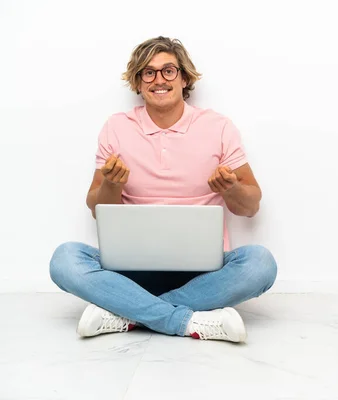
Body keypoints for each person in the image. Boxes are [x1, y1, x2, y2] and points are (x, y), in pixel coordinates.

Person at [49, 36, 277, 343]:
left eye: (168, 70)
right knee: (64, 259)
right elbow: (96, 208)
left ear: (184, 78)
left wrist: (231, 188)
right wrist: (113, 185)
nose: (159, 80)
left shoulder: (219, 127)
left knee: (260, 264)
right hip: (130, 271)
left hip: (203, 273)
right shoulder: (116, 127)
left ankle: (124, 313)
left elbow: (250, 207)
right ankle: (185, 320)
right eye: (148, 72)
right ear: (138, 82)